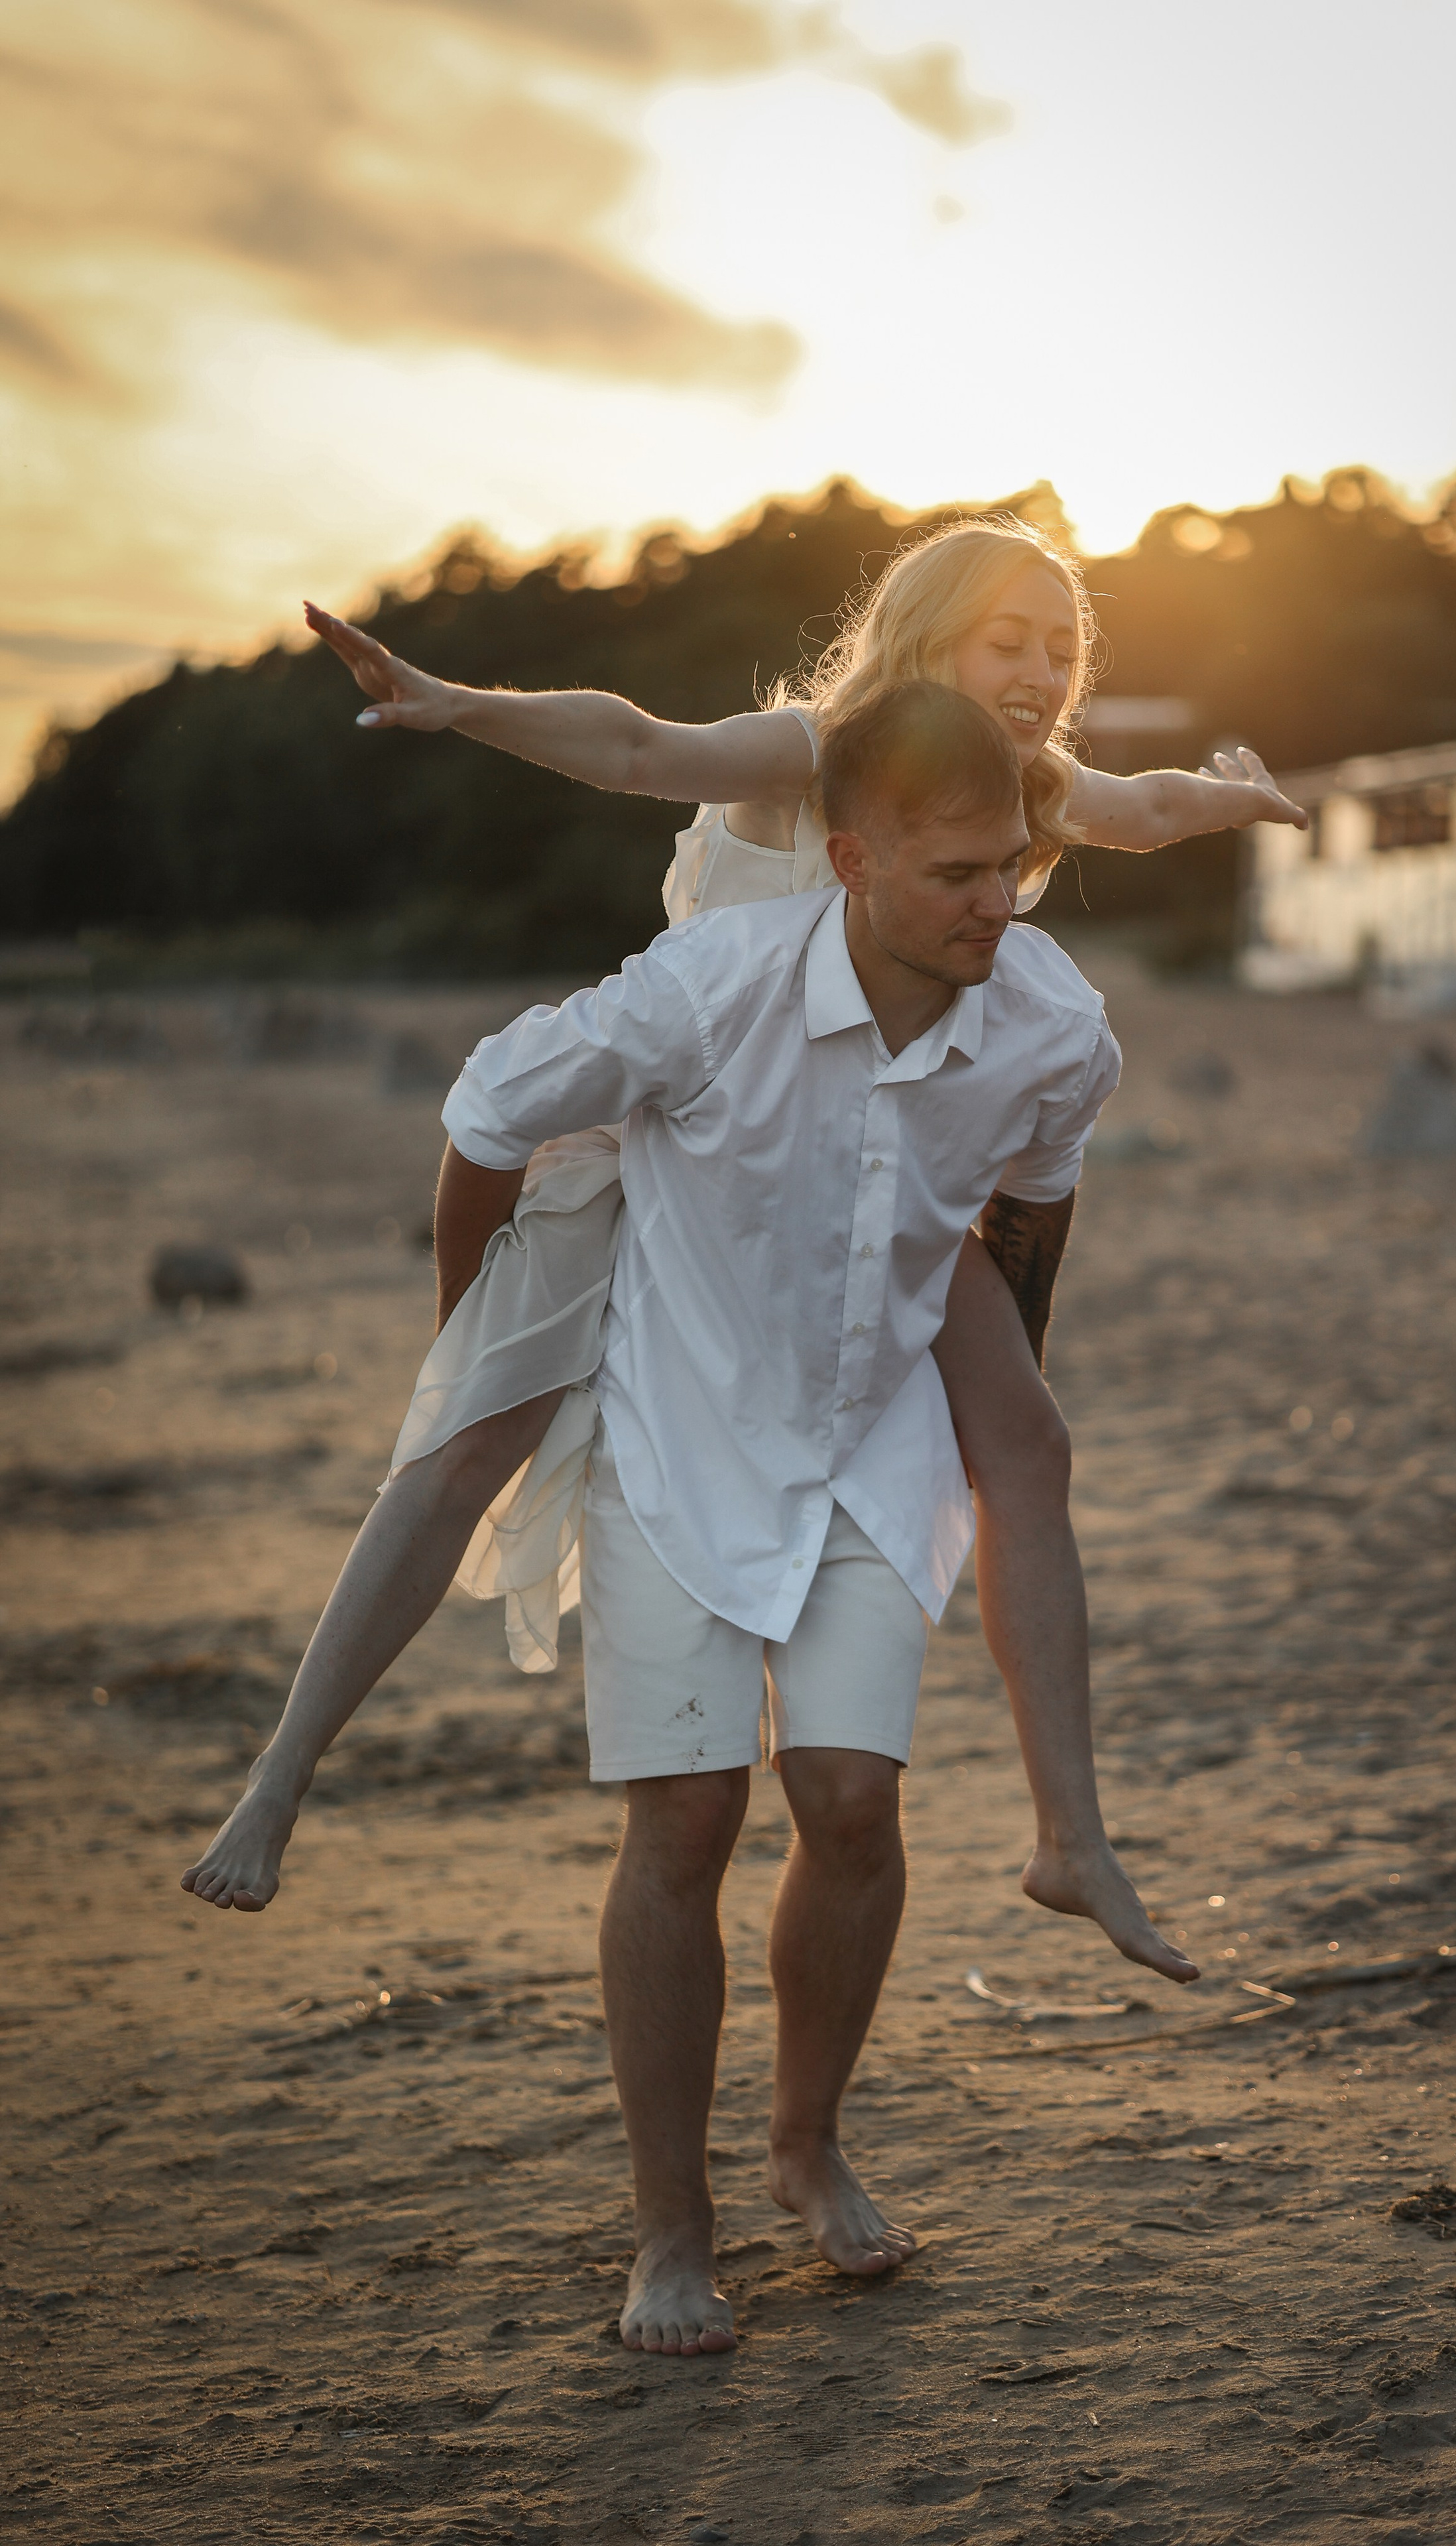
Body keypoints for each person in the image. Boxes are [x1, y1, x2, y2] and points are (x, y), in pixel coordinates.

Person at [184, 520, 1305, 1972]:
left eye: (1060, 648)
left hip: (873, 1180)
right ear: (926, 636)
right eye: (1005, 640)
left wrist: (1229, 797)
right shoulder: (820, 750)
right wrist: (455, 704)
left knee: (1026, 1439)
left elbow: (1139, 807)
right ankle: (278, 1782)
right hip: (689, 1138)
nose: (1037, 671)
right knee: (473, 1436)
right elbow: (640, 746)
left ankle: (1067, 1839)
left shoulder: (1019, 791)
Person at [418, 681, 1139, 2353]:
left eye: (1014, 867)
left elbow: (1031, 1211)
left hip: (873, 1428)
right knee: (681, 1824)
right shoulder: (706, 990)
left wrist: (985, 1425)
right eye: (955, 872)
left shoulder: (1052, 1023)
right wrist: (471, 1358)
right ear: (849, 860)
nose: (994, 901)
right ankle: (670, 2233)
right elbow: (479, 1118)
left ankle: (806, 2146)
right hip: (680, 1423)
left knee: (853, 1802)